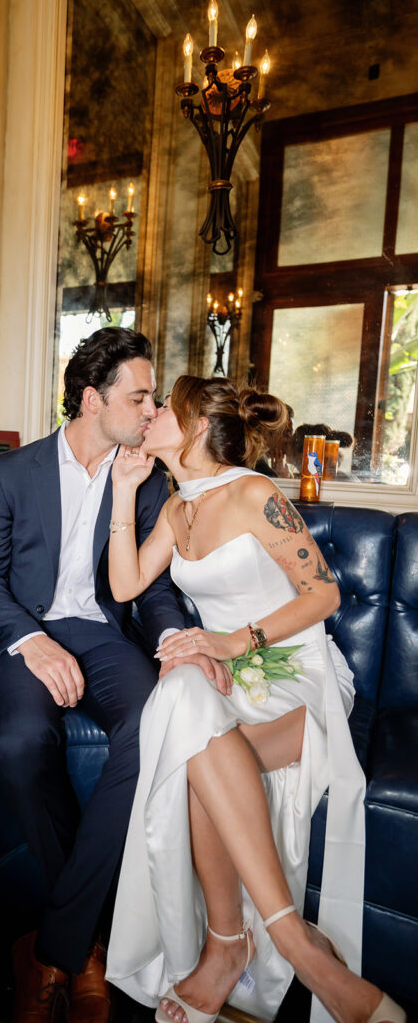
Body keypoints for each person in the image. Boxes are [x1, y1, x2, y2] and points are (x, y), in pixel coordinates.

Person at [0, 330, 224, 1023]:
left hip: (101, 632)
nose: (152, 409)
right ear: (92, 400)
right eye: (140, 396)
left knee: (152, 721)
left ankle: (57, 944)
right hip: (23, 634)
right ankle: (87, 946)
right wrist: (31, 639)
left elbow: (149, 588)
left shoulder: (144, 476)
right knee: (20, 742)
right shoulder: (15, 471)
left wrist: (172, 637)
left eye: (153, 397)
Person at [103, 376, 405, 1023]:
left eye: (161, 409)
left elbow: (321, 595)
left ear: (190, 428)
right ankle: (287, 942)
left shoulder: (253, 492)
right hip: (228, 676)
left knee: (187, 745)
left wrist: (232, 642)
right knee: (182, 692)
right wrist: (124, 493)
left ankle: (238, 948)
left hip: (297, 673)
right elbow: (126, 584)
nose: (147, 415)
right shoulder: (175, 506)